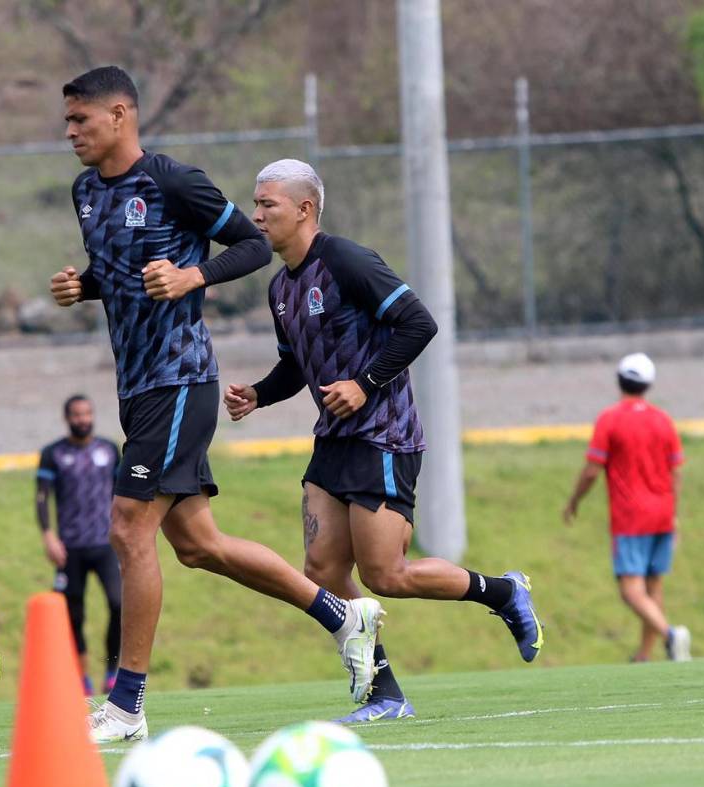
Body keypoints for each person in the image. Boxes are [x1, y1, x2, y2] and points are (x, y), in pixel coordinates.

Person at [50, 67, 384, 744]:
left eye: (80, 120)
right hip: (138, 388)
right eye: (67, 122)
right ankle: (342, 618)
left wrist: (192, 274)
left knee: (126, 528)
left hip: (181, 380)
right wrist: (81, 286)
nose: (70, 133)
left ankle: (126, 707)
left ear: (120, 115)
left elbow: (254, 244)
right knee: (198, 546)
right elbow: (120, 277)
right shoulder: (85, 193)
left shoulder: (173, 180)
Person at [225, 159, 544, 723]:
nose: (256, 215)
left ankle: (502, 591)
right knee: (321, 572)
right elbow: (295, 367)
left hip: (384, 435)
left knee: (385, 575)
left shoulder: (346, 260)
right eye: (255, 203)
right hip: (334, 440)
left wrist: (364, 384)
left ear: (304, 210)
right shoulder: (280, 289)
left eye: (267, 204)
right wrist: (258, 394)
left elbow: (419, 323)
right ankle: (385, 693)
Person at [563, 353, 691, 662]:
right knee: (653, 585)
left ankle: (670, 635)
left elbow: (593, 469)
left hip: (631, 516)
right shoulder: (663, 420)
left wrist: (574, 501)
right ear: (649, 384)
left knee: (630, 589)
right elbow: (676, 471)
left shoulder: (610, 418)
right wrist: (673, 514)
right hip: (662, 513)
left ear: (619, 380)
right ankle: (645, 655)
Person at [37, 394, 123, 695]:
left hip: (106, 544)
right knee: (73, 614)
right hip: (70, 547)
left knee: (119, 604)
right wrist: (48, 535)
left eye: (87, 413)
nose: (82, 419)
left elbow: (122, 494)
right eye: (76, 414)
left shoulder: (109, 450)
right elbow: (42, 497)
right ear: (67, 418)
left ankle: (112, 669)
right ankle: (82, 677)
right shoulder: (53, 454)